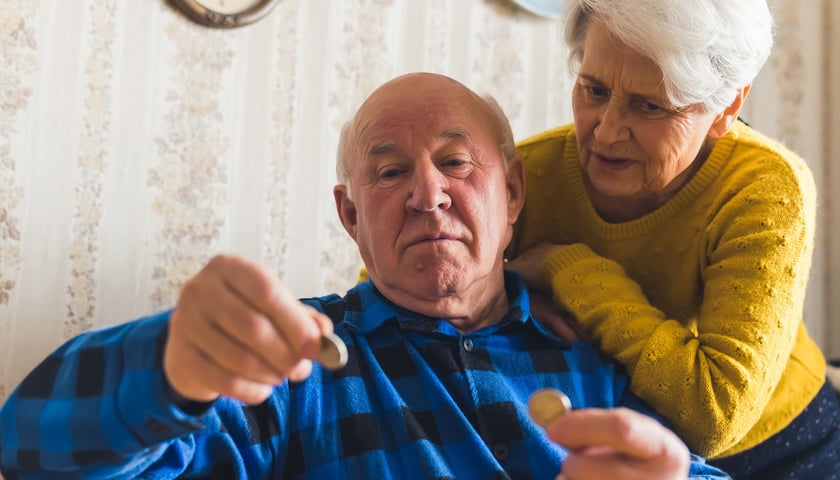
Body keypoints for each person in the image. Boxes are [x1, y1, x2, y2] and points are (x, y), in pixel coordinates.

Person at [0, 73, 727, 480]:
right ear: (351, 216)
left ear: (513, 192)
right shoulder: (290, 364)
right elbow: (29, 451)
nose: (427, 193)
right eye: (388, 172)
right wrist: (163, 367)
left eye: (455, 161)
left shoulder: (597, 360)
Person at [503, 0, 840, 478]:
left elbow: (715, 418)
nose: (606, 131)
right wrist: (509, 299)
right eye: (593, 89)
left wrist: (570, 272)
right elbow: (401, 291)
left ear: (726, 108)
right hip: (607, 442)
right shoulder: (529, 172)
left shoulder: (764, 186)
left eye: (649, 105)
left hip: (782, 447)